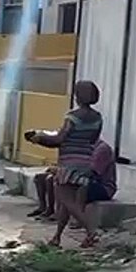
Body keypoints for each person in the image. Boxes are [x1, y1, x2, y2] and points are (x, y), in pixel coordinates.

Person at [25, 80, 104, 248]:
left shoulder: (72, 117)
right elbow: (93, 139)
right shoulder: (97, 118)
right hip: (86, 162)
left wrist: (38, 138)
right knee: (67, 205)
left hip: (69, 163)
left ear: (78, 96)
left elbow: (59, 139)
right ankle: (57, 237)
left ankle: (92, 232)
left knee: (65, 200)